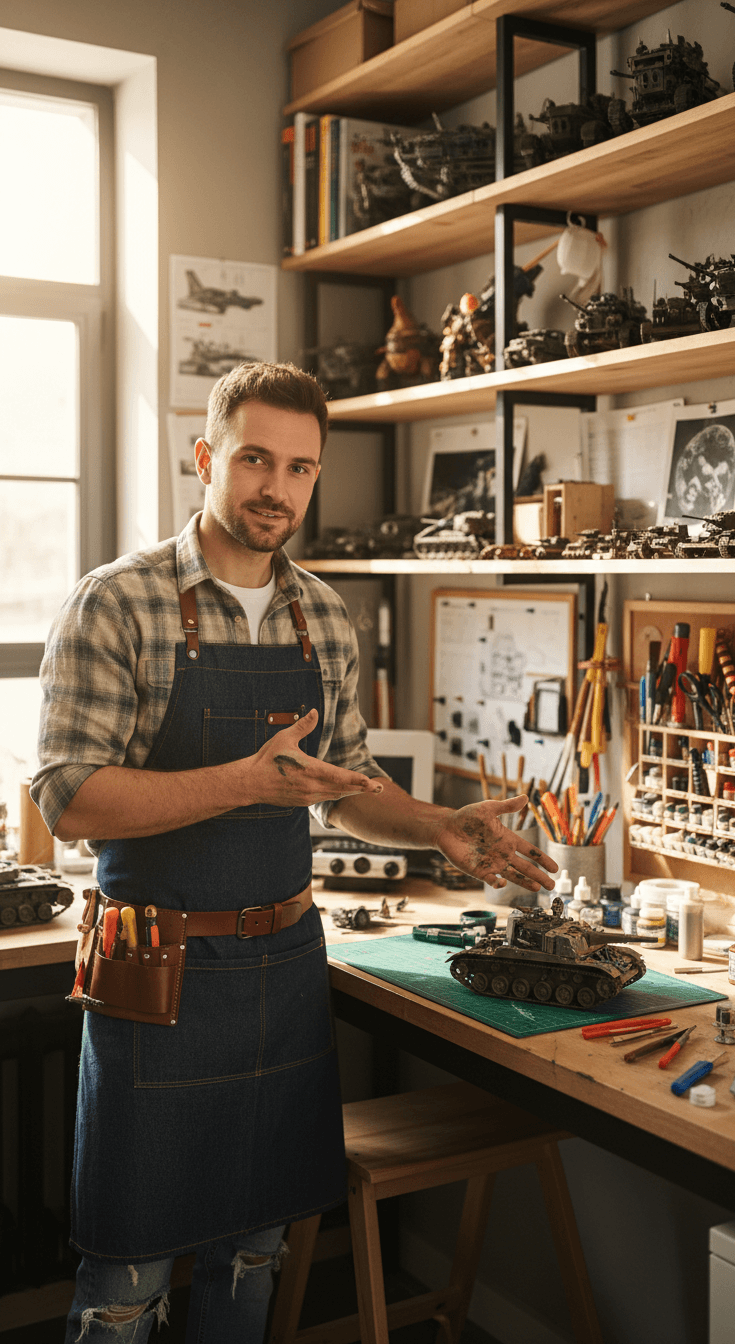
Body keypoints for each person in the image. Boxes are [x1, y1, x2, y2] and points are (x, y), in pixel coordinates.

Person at [32, 360, 556, 1343]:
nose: (279, 488)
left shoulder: (324, 617)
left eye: (302, 469)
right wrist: (243, 781)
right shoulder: (117, 603)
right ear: (206, 459)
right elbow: (67, 800)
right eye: (256, 459)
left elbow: (348, 784)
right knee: (127, 1284)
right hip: (158, 974)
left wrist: (437, 826)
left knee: (253, 1256)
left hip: (280, 970)